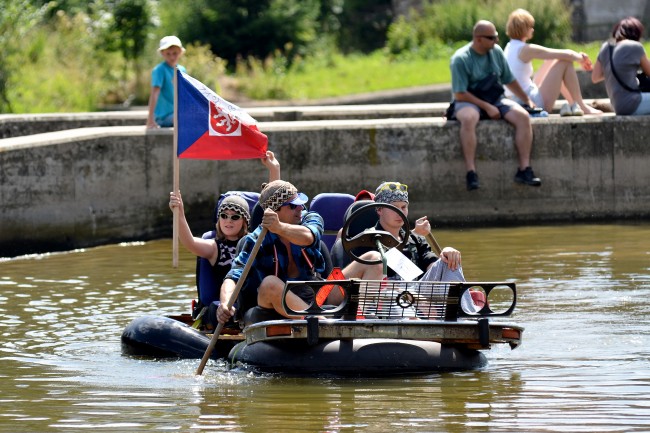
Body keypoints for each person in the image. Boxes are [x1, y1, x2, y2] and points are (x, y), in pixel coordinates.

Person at [168, 151, 280, 326]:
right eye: (224, 216)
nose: (228, 221)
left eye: (235, 217)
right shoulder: (214, 247)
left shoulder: (255, 240)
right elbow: (189, 242)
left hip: (254, 304)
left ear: (244, 221)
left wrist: (274, 170)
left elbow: (271, 208)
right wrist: (179, 212)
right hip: (226, 309)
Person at [216, 180, 326, 325]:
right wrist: (225, 303)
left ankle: (358, 325)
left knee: (366, 259)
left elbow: (309, 237)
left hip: (313, 293)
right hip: (274, 304)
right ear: (275, 212)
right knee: (270, 283)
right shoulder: (257, 239)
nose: (300, 208)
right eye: (293, 205)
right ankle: (324, 324)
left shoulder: (309, 218)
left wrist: (279, 227)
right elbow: (234, 276)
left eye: (300, 202)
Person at [449, 20, 542, 191]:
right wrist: (486, 107)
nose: (496, 41)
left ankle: (524, 169)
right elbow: (460, 93)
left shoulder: (496, 52)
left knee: (522, 117)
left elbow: (509, 79)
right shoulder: (460, 59)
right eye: (492, 38)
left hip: (494, 98)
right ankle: (471, 172)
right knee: (469, 118)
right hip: (468, 100)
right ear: (478, 39)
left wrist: (526, 100)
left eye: (497, 37)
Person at [337, 181, 464, 290]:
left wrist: (448, 254)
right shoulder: (366, 239)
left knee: (450, 260)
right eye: (394, 208)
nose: (400, 212)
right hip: (388, 300)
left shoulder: (416, 239)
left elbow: (433, 267)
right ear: (379, 210)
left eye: (403, 207)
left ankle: (466, 311)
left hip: (420, 293)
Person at [503, 8, 602, 117]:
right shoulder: (525, 49)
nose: (532, 29)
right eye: (530, 27)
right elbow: (566, 54)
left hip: (516, 100)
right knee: (565, 62)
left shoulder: (508, 47)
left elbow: (551, 57)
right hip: (529, 102)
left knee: (553, 60)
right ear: (524, 28)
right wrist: (581, 58)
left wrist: (577, 58)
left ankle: (573, 104)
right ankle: (580, 105)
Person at [592, 16, 650, 115]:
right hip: (633, 103)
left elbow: (595, 77)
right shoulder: (635, 47)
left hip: (617, 105)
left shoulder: (606, 47)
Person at [146, 36, 186, 129]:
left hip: (177, 113)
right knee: (182, 120)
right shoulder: (159, 70)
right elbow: (154, 93)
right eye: (168, 54)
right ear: (162, 53)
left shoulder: (182, 70)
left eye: (175, 53)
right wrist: (150, 119)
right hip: (163, 116)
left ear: (180, 52)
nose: (172, 57)